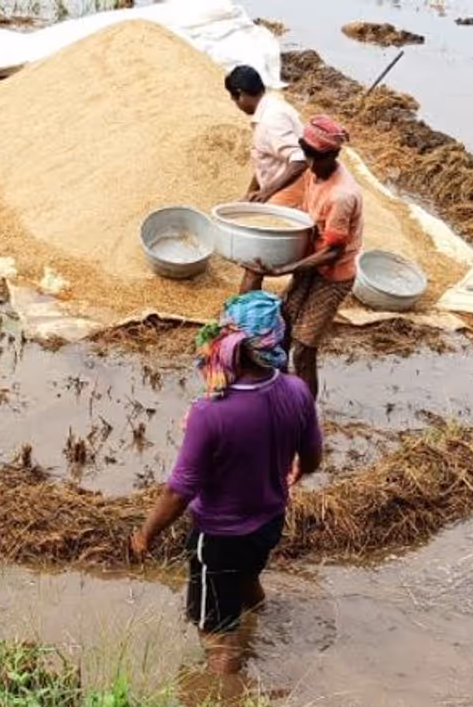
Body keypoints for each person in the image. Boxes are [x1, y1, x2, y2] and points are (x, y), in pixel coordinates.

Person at [131, 291, 323, 675]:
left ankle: (224, 704)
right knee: (249, 576)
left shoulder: (210, 413)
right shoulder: (297, 390)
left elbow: (179, 490)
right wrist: (294, 470)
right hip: (269, 522)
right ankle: (260, 621)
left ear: (228, 343)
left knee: (216, 636)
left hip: (218, 537)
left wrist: (146, 534)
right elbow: (312, 458)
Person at [245, 115, 363, 399]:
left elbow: (334, 251)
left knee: (305, 348)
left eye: (315, 159)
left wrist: (286, 267)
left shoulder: (341, 195)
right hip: (311, 263)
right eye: (307, 156)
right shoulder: (314, 171)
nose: (309, 165)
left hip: (333, 275)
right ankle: (279, 389)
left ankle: (304, 414)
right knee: (283, 322)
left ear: (332, 156)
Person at [224, 65, 309, 209]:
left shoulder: (271, 120)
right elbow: (265, 161)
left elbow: (300, 158)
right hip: (277, 192)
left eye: (235, 100)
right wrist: (250, 194)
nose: (237, 106)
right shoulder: (271, 106)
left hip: (288, 197)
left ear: (241, 94)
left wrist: (266, 192)